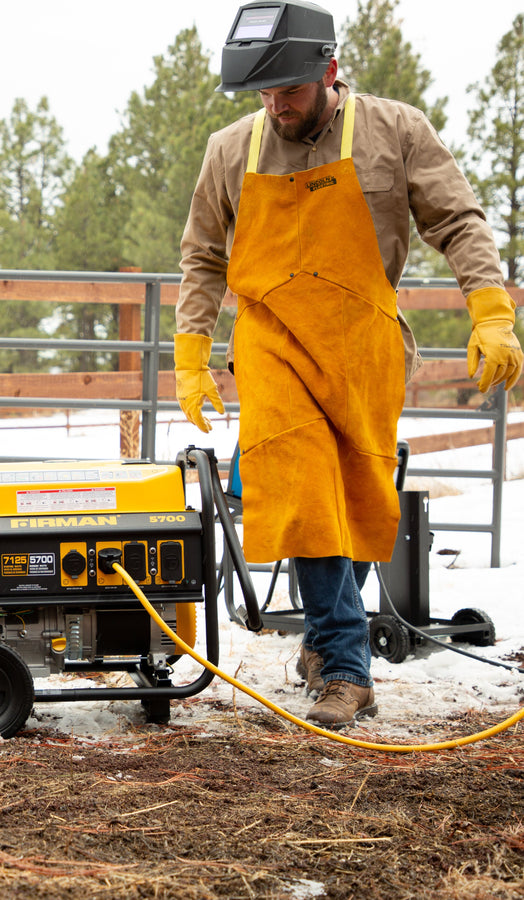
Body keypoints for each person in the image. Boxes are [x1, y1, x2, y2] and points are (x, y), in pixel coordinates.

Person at [174, 0, 522, 728]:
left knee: (358, 503)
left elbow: (458, 221)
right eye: (264, 94)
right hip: (272, 344)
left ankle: (328, 640)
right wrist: (191, 351)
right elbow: (204, 254)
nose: (276, 106)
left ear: (328, 72)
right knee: (306, 492)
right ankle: (344, 666)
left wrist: (490, 310)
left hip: (363, 344)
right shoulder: (230, 149)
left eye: (289, 91)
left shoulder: (396, 132)